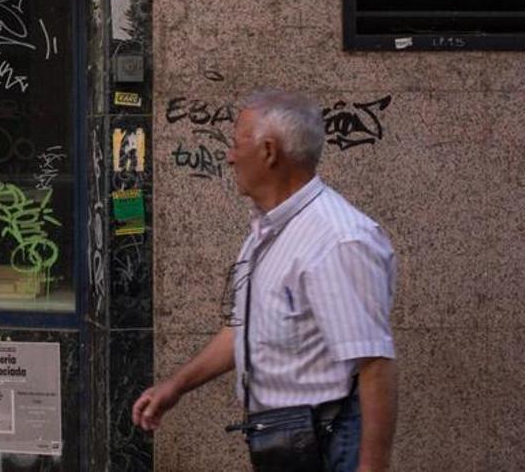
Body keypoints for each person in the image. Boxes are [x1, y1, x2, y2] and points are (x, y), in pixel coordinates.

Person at [132, 89, 397, 472]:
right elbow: (244, 329)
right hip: (285, 438)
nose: (229, 155)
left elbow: (374, 362)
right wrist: (176, 386)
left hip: (327, 442)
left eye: (236, 143)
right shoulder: (269, 232)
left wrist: (372, 468)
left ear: (269, 151)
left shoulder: (338, 240)